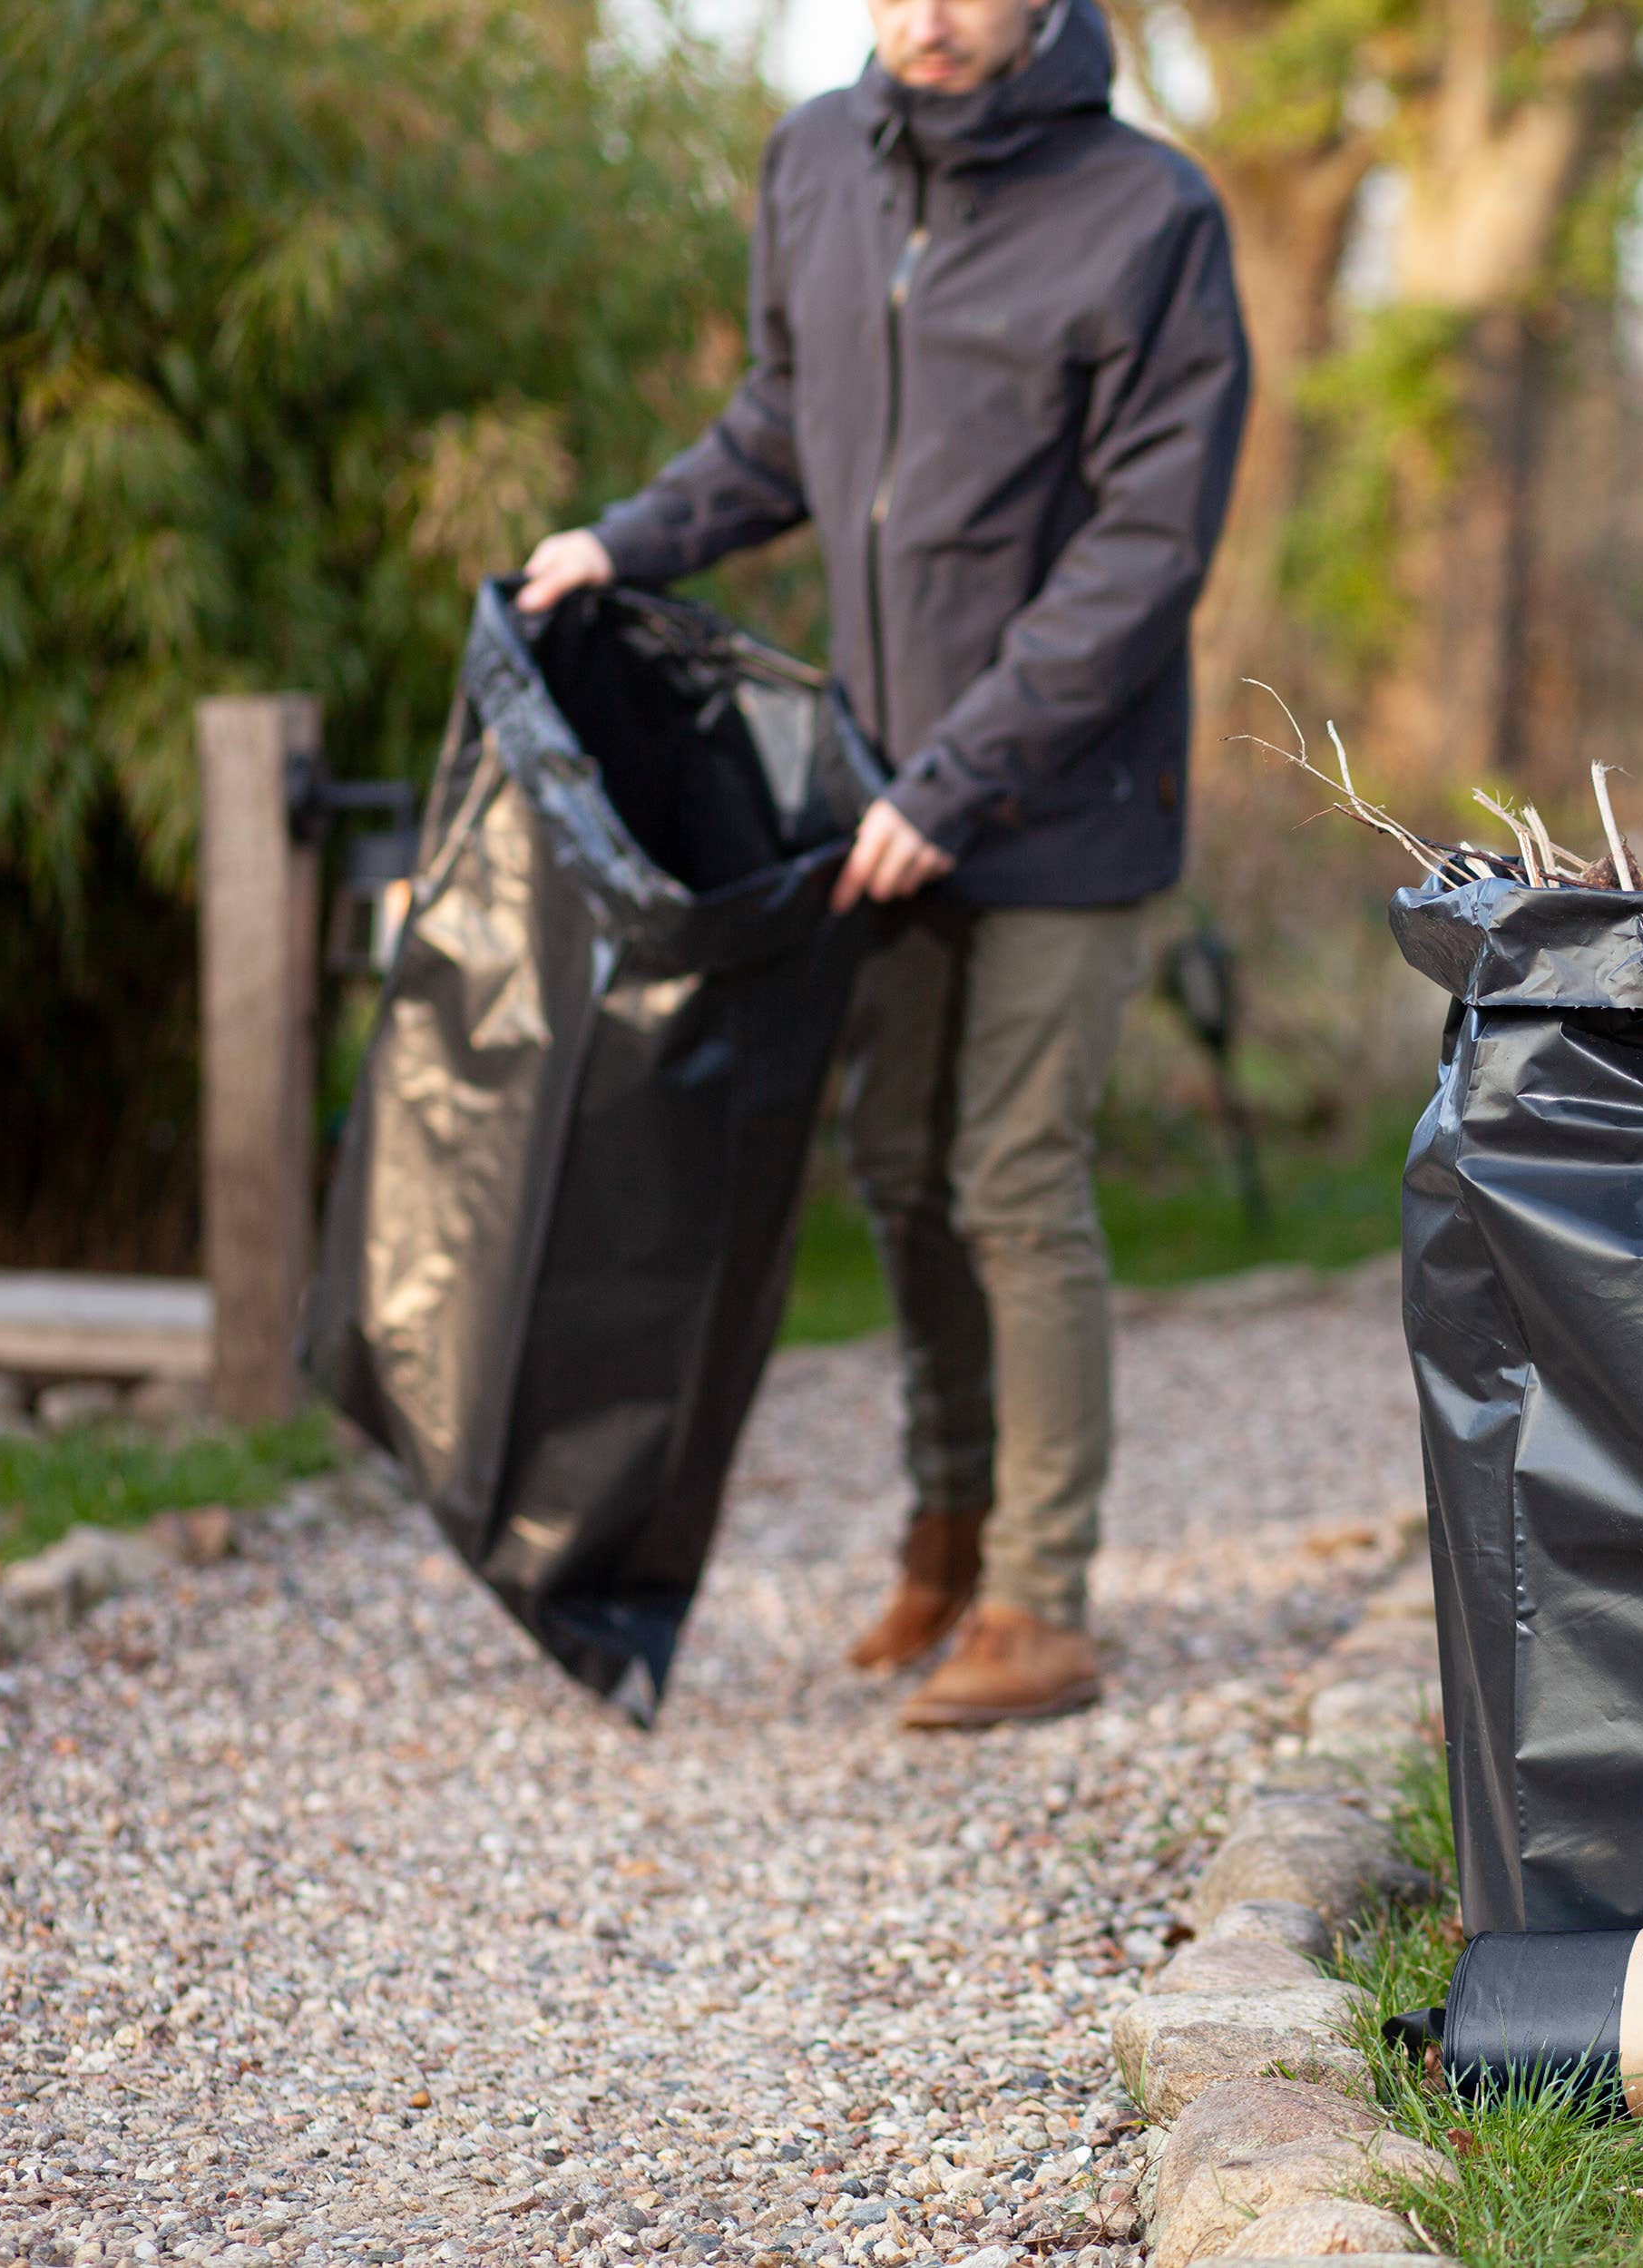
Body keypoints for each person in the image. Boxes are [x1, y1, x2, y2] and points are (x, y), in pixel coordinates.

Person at [517, 0, 1250, 1727]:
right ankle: (949, 1530)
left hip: (1067, 791)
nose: (925, 21)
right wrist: (617, 543)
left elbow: (1148, 546)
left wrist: (970, 769)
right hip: (882, 785)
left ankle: (1043, 1604)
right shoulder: (813, 165)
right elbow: (785, 428)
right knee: (900, 1164)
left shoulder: (1151, 216)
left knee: (1008, 1170)